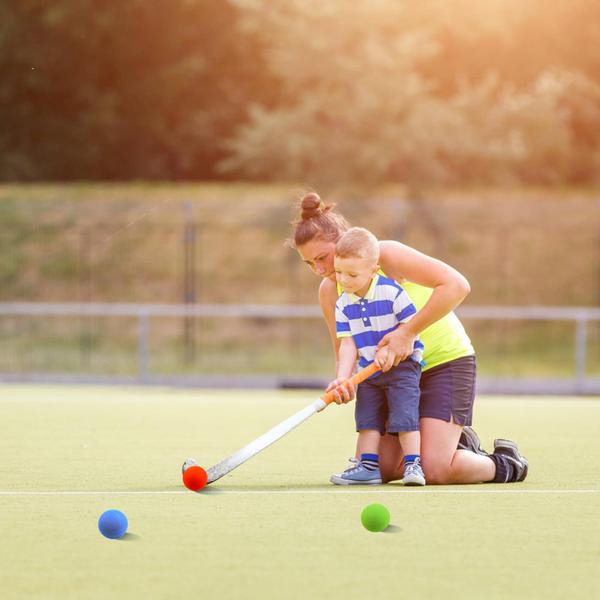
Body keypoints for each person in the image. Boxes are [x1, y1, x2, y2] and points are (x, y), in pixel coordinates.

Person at [288, 192, 528, 485]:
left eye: (323, 257)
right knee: (384, 468)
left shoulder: (385, 256)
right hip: (395, 376)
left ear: (344, 239)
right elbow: (346, 348)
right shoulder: (329, 291)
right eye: (309, 264)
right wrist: (345, 381)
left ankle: (504, 463)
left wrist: (407, 333)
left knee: (436, 470)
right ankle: (458, 444)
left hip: (444, 363)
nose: (321, 270)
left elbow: (456, 285)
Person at [328, 227, 425, 486]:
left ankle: (413, 465)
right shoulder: (342, 303)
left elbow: (411, 330)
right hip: (368, 371)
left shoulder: (392, 292)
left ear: (373, 270)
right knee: (367, 420)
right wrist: (343, 377)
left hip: (402, 368)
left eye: (352, 274)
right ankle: (368, 467)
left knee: (404, 418)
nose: (344, 280)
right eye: (338, 272)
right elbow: (348, 343)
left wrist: (392, 351)